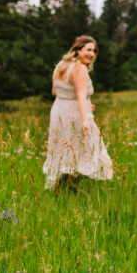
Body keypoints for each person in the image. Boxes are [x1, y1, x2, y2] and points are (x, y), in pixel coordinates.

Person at [43, 35, 113, 191]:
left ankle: (64, 188)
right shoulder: (79, 68)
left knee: (65, 152)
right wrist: (85, 118)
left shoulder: (61, 65)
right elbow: (80, 95)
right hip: (75, 116)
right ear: (77, 50)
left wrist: (87, 104)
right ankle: (67, 187)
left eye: (94, 51)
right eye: (88, 50)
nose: (92, 54)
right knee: (90, 152)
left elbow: (56, 91)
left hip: (58, 112)